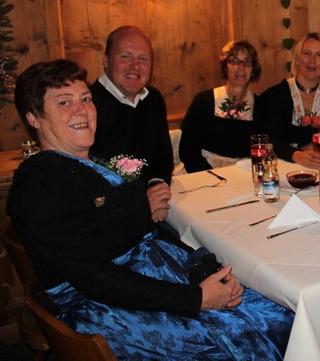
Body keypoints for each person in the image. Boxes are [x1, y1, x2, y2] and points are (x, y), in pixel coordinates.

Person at [8, 60, 293, 360]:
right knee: (254, 340)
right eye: (64, 102)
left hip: (153, 281)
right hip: (106, 307)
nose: (81, 110)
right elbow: (95, 278)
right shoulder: (40, 182)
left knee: (278, 314)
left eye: (86, 99)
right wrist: (196, 298)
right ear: (34, 117)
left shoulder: (89, 163)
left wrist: (207, 269)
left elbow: (147, 232)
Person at [90, 26, 173, 223]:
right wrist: (141, 204)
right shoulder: (87, 104)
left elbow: (162, 158)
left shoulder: (153, 100)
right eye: (126, 56)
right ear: (105, 60)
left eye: (143, 59)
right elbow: (88, 181)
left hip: (150, 208)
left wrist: (156, 187)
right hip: (107, 220)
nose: (135, 66)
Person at [259, 33, 320, 169]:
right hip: (285, 165)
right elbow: (269, 140)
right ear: (297, 59)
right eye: (307, 53)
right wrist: (296, 155)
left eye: (319, 55)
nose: (312, 60)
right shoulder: (275, 95)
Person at [179, 40, 262, 173]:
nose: (241, 67)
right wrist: (211, 176)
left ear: (253, 70)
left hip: (245, 174)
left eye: (247, 61)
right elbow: (188, 151)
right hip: (205, 173)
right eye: (234, 61)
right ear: (225, 67)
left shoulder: (261, 105)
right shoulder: (204, 101)